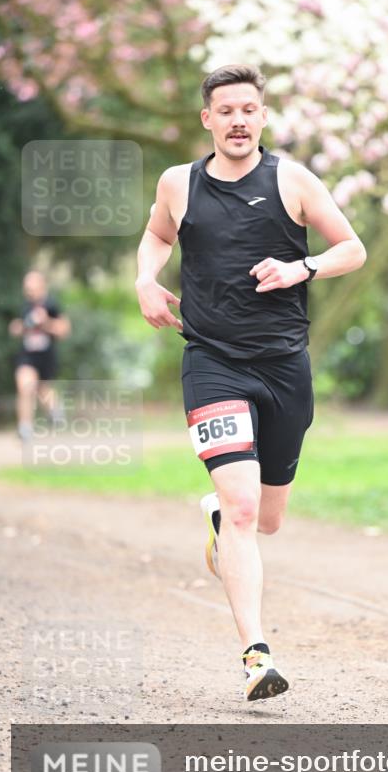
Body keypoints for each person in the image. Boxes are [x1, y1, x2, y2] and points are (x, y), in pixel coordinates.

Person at [135, 64, 366, 701]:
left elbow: (353, 248)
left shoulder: (291, 180)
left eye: (249, 110)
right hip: (210, 361)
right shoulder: (178, 184)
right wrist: (144, 279)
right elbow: (156, 236)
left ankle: (219, 523)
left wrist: (303, 268)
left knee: (266, 520)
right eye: (226, 110)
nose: (238, 120)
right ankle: (256, 655)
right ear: (207, 119)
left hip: (284, 366)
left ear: (262, 117)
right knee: (240, 508)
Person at [9, 270, 71, 440]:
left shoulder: (52, 305)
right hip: (27, 355)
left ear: (42, 285)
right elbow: (16, 327)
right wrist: (19, 327)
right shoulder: (25, 306)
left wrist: (46, 322)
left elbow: (64, 330)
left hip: (46, 356)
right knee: (25, 385)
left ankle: (56, 412)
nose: (29, 291)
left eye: (32, 287)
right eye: (27, 288)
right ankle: (25, 428)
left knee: (43, 390)